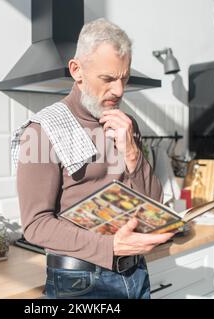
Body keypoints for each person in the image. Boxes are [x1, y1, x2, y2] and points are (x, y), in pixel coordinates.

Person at [12, 18, 174, 299]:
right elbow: (36, 225)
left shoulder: (126, 124)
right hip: (80, 282)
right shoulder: (42, 131)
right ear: (77, 70)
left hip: (136, 274)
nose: (119, 91)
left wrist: (133, 153)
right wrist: (109, 247)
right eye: (108, 79)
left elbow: (153, 204)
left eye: (124, 78)